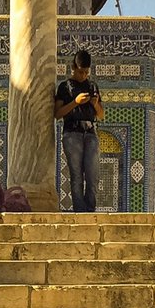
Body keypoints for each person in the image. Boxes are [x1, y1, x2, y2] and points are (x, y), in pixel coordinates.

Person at [54, 49, 104, 212]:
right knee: (76, 176)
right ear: (73, 68)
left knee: (92, 175)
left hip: (90, 133)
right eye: (81, 72)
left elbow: (101, 115)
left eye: (86, 72)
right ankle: (80, 211)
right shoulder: (64, 87)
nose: (83, 75)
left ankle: (90, 210)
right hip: (72, 134)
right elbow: (57, 114)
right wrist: (75, 102)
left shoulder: (92, 86)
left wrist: (95, 103)